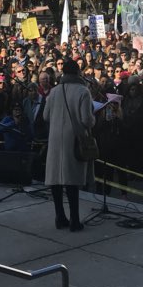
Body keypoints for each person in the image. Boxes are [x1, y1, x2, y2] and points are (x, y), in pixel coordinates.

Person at [43, 57, 95, 231]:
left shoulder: (54, 91)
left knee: (56, 179)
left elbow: (45, 116)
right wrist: (94, 118)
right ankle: (74, 220)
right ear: (78, 72)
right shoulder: (83, 91)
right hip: (74, 139)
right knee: (72, 180)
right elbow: (86, 120)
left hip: (55, 139)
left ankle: (60, 217)